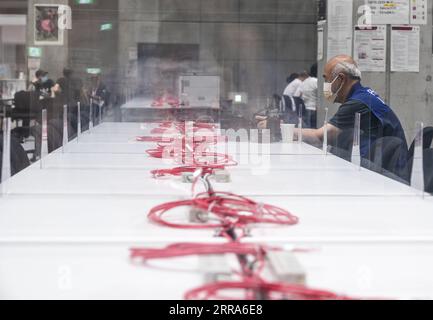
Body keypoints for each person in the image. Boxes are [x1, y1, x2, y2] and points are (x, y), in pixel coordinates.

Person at [298, 55, 407, 169]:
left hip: (389, 174)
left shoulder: (357, 103)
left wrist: (286, 131)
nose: (325, 84)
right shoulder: (364, 95)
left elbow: (321, 137)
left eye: (326, 79)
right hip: (385, 165)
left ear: (341, 79)